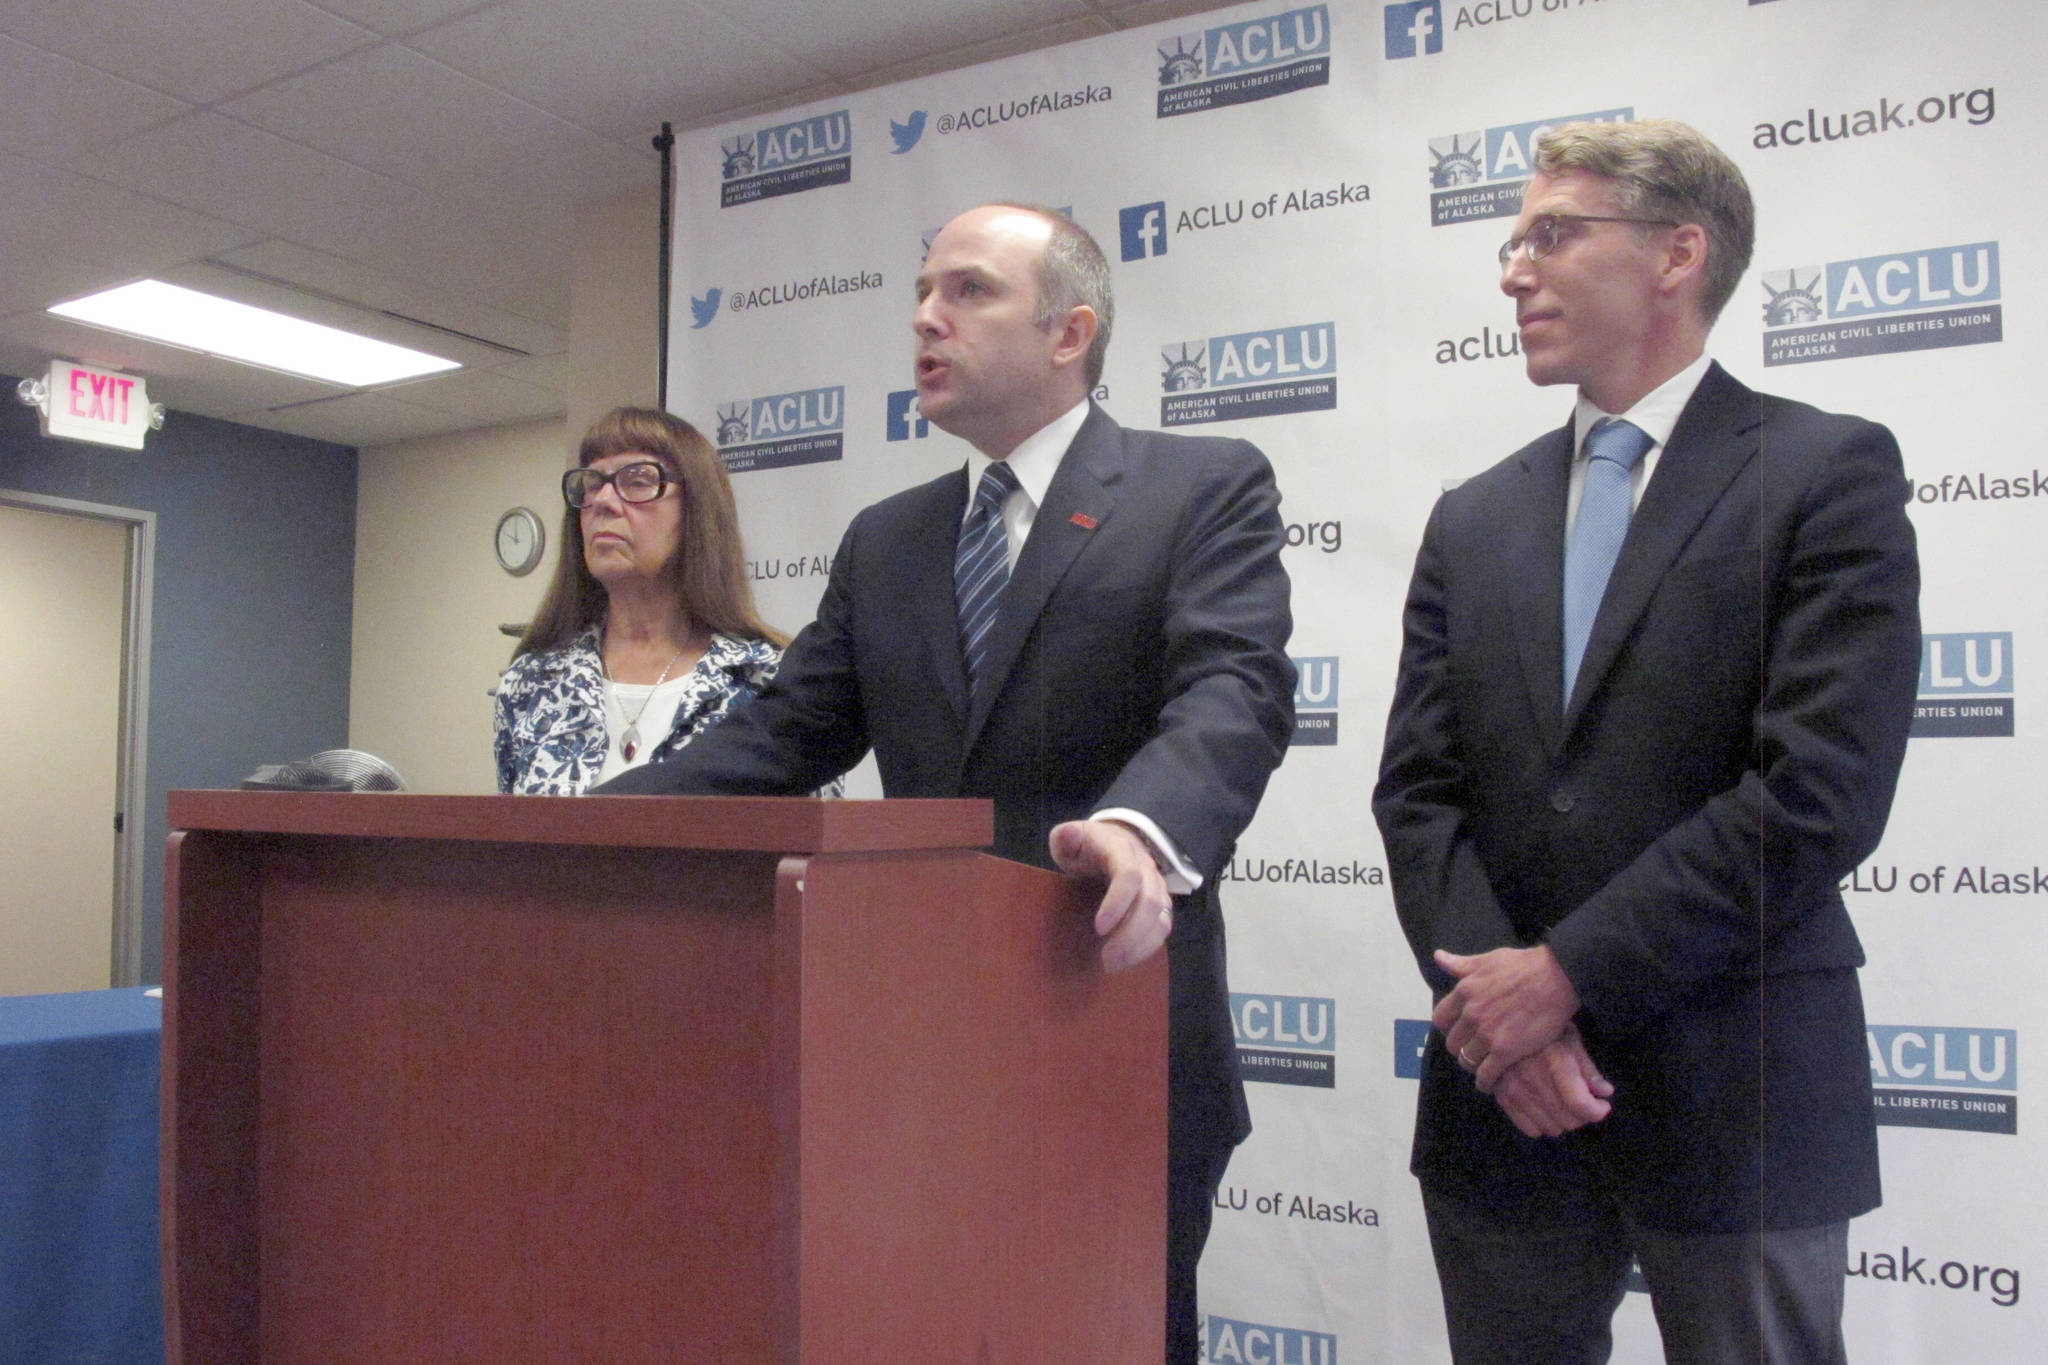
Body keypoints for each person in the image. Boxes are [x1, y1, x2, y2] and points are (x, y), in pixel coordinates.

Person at [597, 203, 1295, 1363]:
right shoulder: (889, 538)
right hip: (913, 1051)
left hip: (1109, 1029)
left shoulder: (1199, 487)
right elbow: (783, 735)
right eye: (921, 290)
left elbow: (1235, 691)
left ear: (1069, 331)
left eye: (967, 291)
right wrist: (581, 825)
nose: (926, 315)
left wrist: (1138, 826)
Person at [1372, 120, 1919, 1364]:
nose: (1514, 271)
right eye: (1513, 242)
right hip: (1498, 1099)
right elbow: (1417, 793)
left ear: (1677, 253)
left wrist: (1559, 979)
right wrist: (1494, 1012)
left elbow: (1818, 789)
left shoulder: (1822, 469)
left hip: (1738, 1085)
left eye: (1551, 235)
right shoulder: (1472, 517)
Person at [495, 407, 794, 795]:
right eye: (591, 483)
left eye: (637, 481)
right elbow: (513, 848)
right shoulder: (531, 683)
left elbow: (808, 843)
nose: (603, 501)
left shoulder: (767, 679)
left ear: (696, 511)